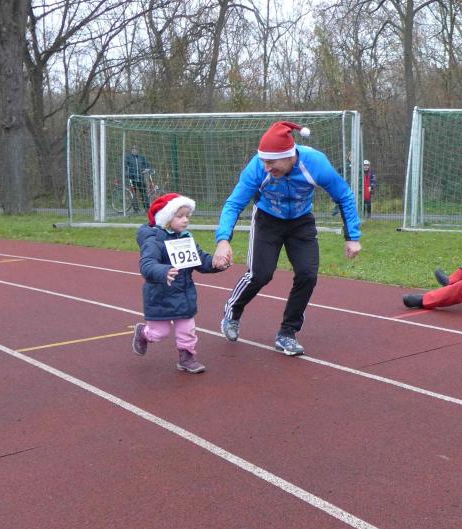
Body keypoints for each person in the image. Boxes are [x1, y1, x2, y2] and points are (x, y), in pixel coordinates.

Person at [212, 121, 362, 355]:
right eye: (264, 161)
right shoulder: (257, 168)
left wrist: (352, 236)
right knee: (260, 274)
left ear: (290, 155)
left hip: (301, 221)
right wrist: (223, 240)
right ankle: (232, 313)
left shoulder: (316, 163)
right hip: (267, 220)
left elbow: (344, 196)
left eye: (271, 162)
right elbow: (234, 203)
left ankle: (287, 332)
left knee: (307, 275)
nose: (266, 167)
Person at [132, 192, 226, 373]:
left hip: (184, 295)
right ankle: (143, 333)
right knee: (159, 333)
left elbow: (200, 260)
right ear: (166, 218)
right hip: (160, 296)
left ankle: (187, 357)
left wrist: (216, 263)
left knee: (187, 330)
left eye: (187, 216)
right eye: (180, 216)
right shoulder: (154, 241)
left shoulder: (186, 238)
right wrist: (163, 271)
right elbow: (147, 264)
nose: (185, 220)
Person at [124, 145, 152, 213]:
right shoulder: (128, 157)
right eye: (133, 149)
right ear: (131, 150)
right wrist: (127, 174)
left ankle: (147, 208)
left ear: (138, 150)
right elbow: (125, 167)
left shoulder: (142, 157)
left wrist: (149, 169)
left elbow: (147, 165)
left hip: (140, 178)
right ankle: (136, 209)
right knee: (134, 194)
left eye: (136, 149)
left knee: (144, 193)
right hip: (132, 178)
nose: (134, 150)